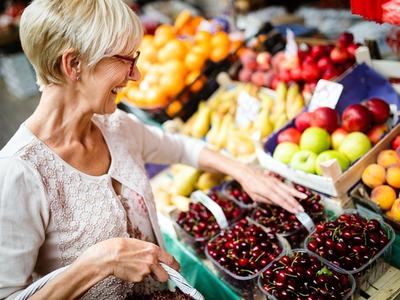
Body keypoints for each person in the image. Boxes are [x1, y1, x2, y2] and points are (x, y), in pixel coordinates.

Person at [0, 0, 305, 299]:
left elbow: (181, 147)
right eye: (125, 60)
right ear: (73, 64)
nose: (137, 76)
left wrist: (243, 171)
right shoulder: (19, 172)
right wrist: (98, 264)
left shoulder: (115, 126)